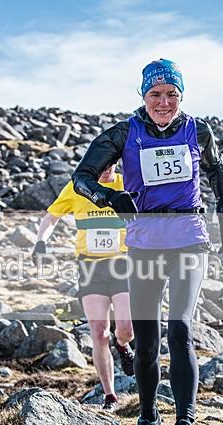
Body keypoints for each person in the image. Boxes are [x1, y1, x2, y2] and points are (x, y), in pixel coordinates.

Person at [71, 59, 223, 425]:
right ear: (143, 96)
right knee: (146, 345)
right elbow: (82, 177)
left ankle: (185, 424)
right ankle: (148, 418)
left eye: (171, 95)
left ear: (181, 95)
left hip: (188, 240)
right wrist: (111, 198)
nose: (164, 102)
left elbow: (217, 172)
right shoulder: (123, 133)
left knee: (179, 330)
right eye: (155, 95)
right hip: (144, 244)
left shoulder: (199, 130)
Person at [33, 163, 135, 411]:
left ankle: (122, 345)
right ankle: (110, 396)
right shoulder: (78, 188)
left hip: (124, 264)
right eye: (101, 165)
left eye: (110, 164)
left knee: (126, 329)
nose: (106, 170)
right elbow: (51, 218)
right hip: (90, 269)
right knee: (99, 332)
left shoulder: (128, 183)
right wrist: (40, 244)